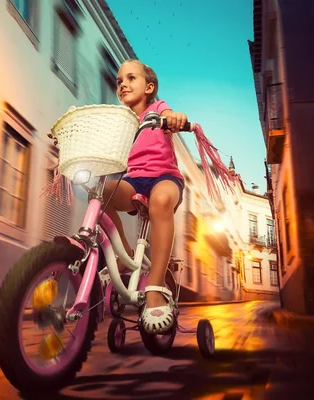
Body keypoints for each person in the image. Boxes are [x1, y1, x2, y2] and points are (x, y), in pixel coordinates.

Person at [103, 59, 188, 335]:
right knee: (102, 193)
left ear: (149, 87)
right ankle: (124, 252)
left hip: (165, 178)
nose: (123, 84)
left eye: (130, 78)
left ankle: (155, 286)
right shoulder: (122, 121)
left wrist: (175, 118)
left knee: (162, 201)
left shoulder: (157, 109)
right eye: (119, 81)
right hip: (134, 180)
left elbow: (171, 113)